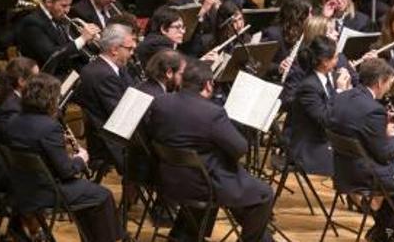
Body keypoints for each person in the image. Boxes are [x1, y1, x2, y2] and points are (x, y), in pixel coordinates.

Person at [146, 59, 274, 242]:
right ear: (208, 84)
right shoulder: (212, 113)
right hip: (203, 184)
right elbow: (240, 149)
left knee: (243, 197)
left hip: (169, 179)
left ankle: (184, 235)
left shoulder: (161, 102)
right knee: (264, 194)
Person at [4, 73, 126, 242]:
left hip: (22, 186)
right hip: (46, 191)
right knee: (103, 195)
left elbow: (39, 155)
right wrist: (80, 159)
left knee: (88, 193)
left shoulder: (13, 121)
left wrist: (62, 152)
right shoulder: (49, 126)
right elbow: (66, 172)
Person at [328, 58, 394, 242]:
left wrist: (381, 132)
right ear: (379, 82)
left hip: (342, 171)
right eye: (388, 83)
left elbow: (357, 131)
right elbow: (384, 153)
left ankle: (381, 232)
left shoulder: (340, 97)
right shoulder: (374, 109)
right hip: (366, 176)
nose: (388, 88)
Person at [75, 24, 138, 171]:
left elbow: (134, 91)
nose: (132, 53)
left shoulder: (113, 67)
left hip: (115, 130)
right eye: (129, 49)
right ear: (114, 49)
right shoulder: (102, 74)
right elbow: (120, 114)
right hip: (111, 141)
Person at [289, 36, 352, 176]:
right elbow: (326, 119)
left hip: (325, 139)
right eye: (336, 57)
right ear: (324, 62)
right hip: (311, 147)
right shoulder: (308, 87)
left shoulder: (325, 78)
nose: (339, 60)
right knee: (356, 164)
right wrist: (341, 91)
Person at [16, 0, 100, 73]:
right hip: (47, 79)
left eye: (69, 5)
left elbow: (71, 47)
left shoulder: (58, 16)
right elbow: (51, 55)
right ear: (48, 2)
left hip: (70, 72)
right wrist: (83, 39)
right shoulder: (32, 23)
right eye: (64, 6)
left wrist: (89, 42)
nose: (67, 10)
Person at [0, 56, 38, 144]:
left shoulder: (12, 97)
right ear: (21, 82)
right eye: (36, 78)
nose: (40, 81)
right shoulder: (11, 109)